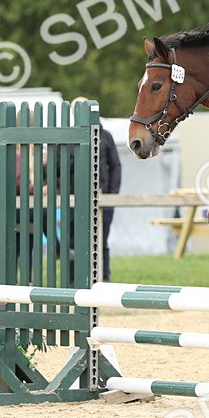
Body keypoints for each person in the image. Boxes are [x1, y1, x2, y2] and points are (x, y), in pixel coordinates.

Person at [70, 97, 122, 282]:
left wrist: (112, 194)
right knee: (74, 242)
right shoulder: (68, 136)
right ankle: (72, 280)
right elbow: (59, 166)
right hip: (75, 198)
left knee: (101, 241)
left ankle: (104, 278)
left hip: (103, 197)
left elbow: (115, 165)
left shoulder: (105, 136)